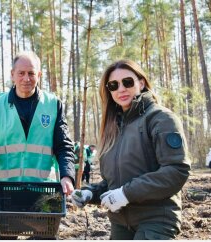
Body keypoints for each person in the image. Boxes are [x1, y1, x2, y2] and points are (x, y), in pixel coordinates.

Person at [71, 59, 191, 240]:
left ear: (141, 83)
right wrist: (91, 193)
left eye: (127, 82)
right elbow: (115, 181)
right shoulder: (114, 126)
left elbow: (176, 170)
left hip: (156, 220)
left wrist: (126, 194)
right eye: (113, 85)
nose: (121, 89)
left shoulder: (161, 119)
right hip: (120, 223)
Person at [0, 51, 75, 201]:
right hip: (4, 192)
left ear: (39, 75)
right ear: (12, 74)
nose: (26, 78)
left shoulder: (53, 105)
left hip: (44, 192)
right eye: (21, 73)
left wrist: (67, 176)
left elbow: (64, 146)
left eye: (31, 73)